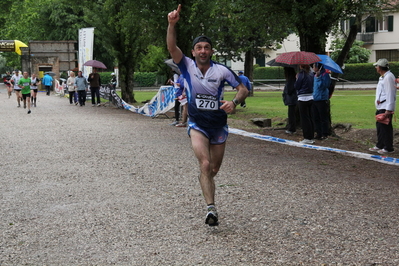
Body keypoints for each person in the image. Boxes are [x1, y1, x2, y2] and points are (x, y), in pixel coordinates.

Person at [167, 4, 248, 226]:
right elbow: (172, 46)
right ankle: (211, 209)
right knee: (204, 164)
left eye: (207, 48)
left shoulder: (222, 71)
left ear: (211, 51)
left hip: (218, 126)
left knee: (213, 169)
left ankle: (206, 183)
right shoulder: (186, 66)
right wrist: (171, 24)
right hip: (197, 125)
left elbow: (243, 89)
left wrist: (234, 102)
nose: (203, 51)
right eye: (199, 47)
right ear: (193, 51)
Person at [369, 58, 396, 154]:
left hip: (385, 107)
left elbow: (390, 93)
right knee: (380, 127)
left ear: (380, 67)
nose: (376, 68)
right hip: (381, 106)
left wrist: (389, 109)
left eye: (377, 66)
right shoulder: (383, 77)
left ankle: (388, 147)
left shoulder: (388, 77)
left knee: (386, 127)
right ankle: (380, 144)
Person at [294, 64, 314, 144]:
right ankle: (311, 136)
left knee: (305, 118)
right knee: (310, 117)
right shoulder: (311, 74)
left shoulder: (301, 75)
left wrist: (296, 79)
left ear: (301, 66)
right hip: (310, 97)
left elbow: (297, 86)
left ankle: (307, 137)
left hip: (303, 98)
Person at [312, 62, 331, 140]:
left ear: (318, 67)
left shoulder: (325, 75)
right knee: (316, 117)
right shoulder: (314, 75)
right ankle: (318, 133)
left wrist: (319, 78)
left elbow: (324, 86)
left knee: (323, 117)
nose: (313, 68)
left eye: (314, 66)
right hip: (315, 98)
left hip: (322, 99)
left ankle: (325, 133)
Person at [282, 67, 297, 134]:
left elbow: (289, 90)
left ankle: (292, 128)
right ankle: (292, 127)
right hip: (292, 99)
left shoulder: (291, 80)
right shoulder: (293, 79)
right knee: (292, 114)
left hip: (292, 99)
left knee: (291, 114)